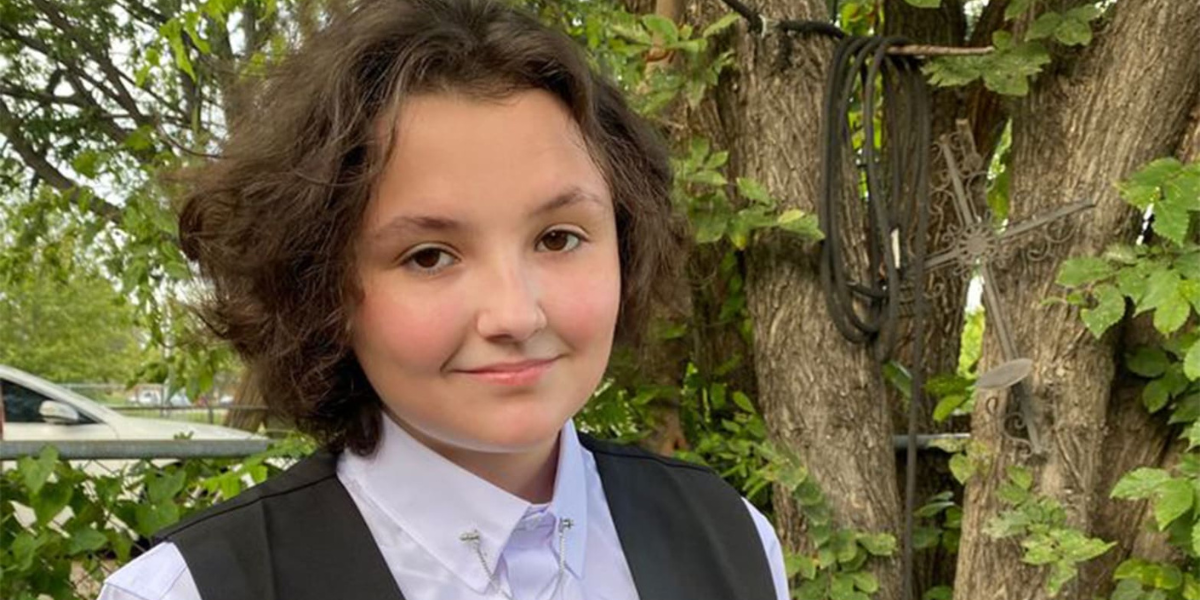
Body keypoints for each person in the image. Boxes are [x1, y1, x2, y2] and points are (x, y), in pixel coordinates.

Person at [98, 1, 788, 598]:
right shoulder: (190, 590)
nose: (516, 315)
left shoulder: (732, 541)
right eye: (429, 256)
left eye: (558, 238)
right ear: (322, 289)